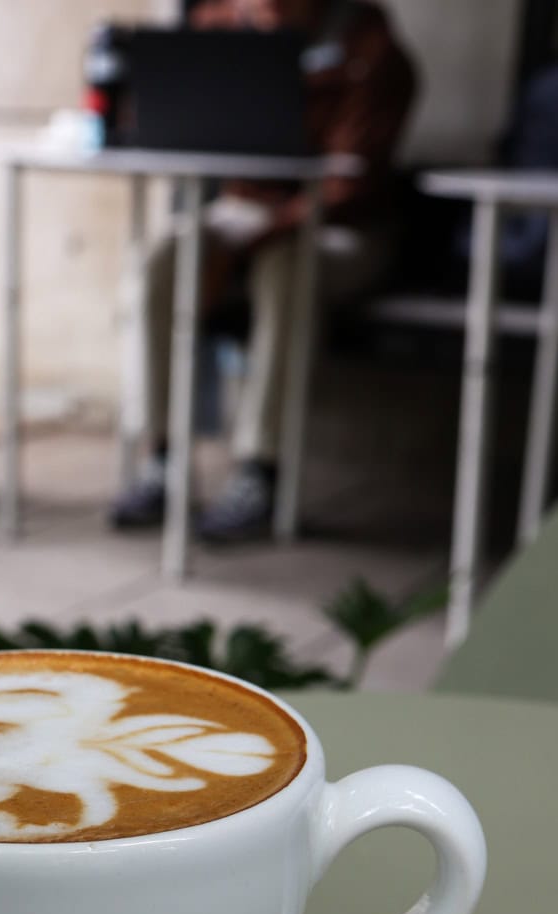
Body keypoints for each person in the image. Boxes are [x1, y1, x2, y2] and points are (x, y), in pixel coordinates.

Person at [112, 0, 417, 542]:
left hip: (337, 219)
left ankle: (260, 467)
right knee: (161, 263)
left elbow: (352, 181)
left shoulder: (373, 51)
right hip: (245, 208)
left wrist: (261, 234)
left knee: (286, 269)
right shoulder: (227, 28)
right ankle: (160, 456)